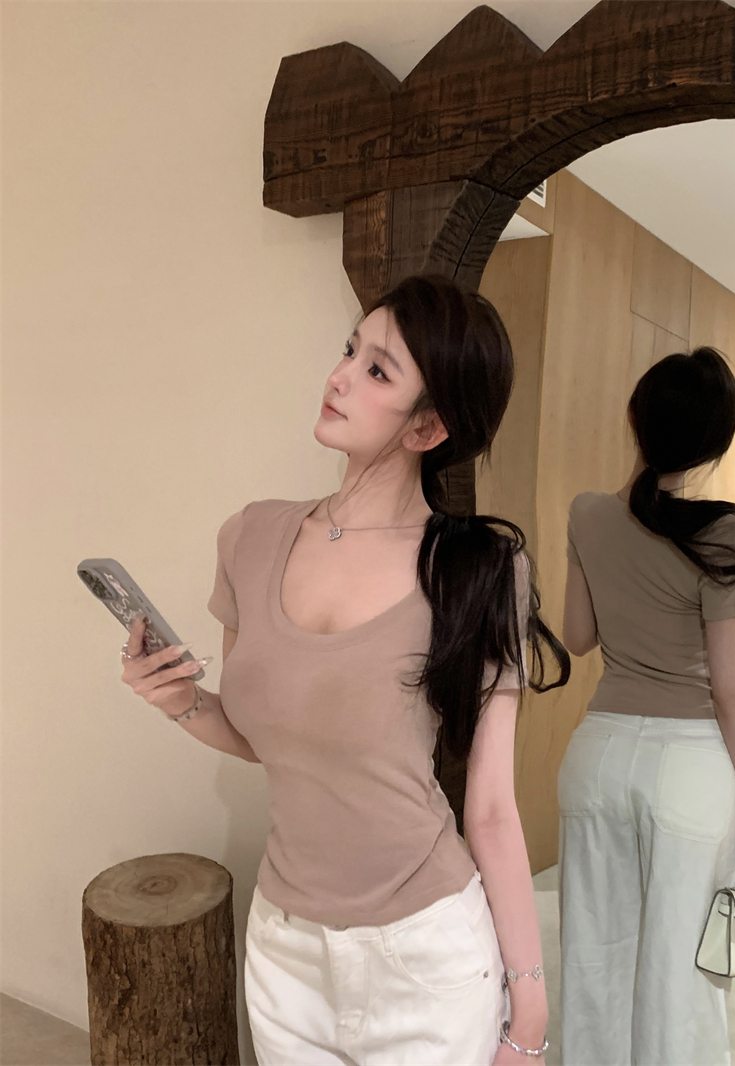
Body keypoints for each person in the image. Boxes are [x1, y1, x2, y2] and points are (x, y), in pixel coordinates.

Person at [119, 274, 570, 1065]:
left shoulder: (478, 569)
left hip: (426, 953)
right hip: (285, 951)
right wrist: (181, 701)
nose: (338, 377)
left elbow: (493, 808)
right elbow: (263, 737)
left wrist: (528, 1009)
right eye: (349, 350)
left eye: (377, 370)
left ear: (428, 425)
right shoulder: (250, 537)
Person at [558, 346, 735, 1066]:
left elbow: (578, 639)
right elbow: (728, 688)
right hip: (688, 768)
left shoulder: (586, 514)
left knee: (594, 963)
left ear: (633, 418)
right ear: (714, 446)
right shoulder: (725, 531)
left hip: (596, 757)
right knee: (681, 977)